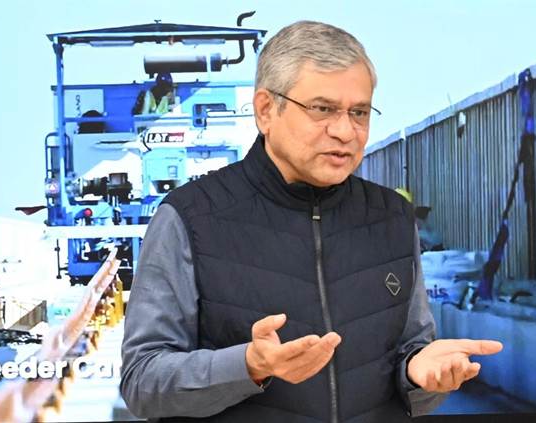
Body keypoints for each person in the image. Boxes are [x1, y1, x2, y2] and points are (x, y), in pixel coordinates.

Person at [120, 21, 503, 422]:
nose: (345, 131)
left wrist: (420, 376)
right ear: (266, 110)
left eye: (359, 112)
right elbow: (142, 383)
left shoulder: (391, 216)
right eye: (322, 109)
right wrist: (247, 366)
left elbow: (411, 353)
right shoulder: (189, 217)